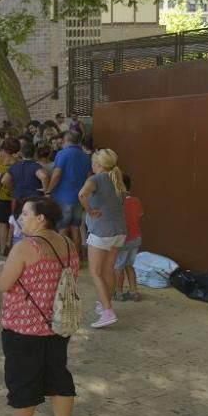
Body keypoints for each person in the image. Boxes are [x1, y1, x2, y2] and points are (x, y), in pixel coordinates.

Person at [0, 197, 79, 416]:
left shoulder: (25, 247)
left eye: (26, 213)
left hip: (24, 328)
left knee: (23, 381)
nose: (21, 217)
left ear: (41, 218)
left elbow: (4, 284)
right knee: (58, 375)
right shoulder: (68, 243)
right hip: (58, 324)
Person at [79, 149, 127, 328]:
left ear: (97, 164)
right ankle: (106, 304)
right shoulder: (117, 180)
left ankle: (107, 311)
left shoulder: (95, 179)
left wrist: (89, 210)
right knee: (108, 271)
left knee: (96, 272)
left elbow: (81, 194)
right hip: (119, 231)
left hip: (101, 231)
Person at [46, 131, 92, 255]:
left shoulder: (62, 154)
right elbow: (89, 176)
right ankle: (75, 257)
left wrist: (48, 190)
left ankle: (63, 258)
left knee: (63, 228)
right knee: (75, 227)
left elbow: (57, 174)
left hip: (63, 197)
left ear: (66, 141)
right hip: (79, 198)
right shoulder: (85, 156)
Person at [114, 174, 143, 303]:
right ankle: (134, 292)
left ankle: (119, 293)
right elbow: (139, 216)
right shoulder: (136, 201)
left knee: (118, 267)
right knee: (130, 265)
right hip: (136, 237)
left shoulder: (117, 203)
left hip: (123, 239)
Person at [3, 142, 48, 207]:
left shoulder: (15, 166)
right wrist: (46, 190)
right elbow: (44, 176)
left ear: (22, 154)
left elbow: (4, 180)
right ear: (35, 154)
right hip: (34, 199)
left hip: (17, 197)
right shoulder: (35, 166)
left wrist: (14, 187)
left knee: (18, 216)